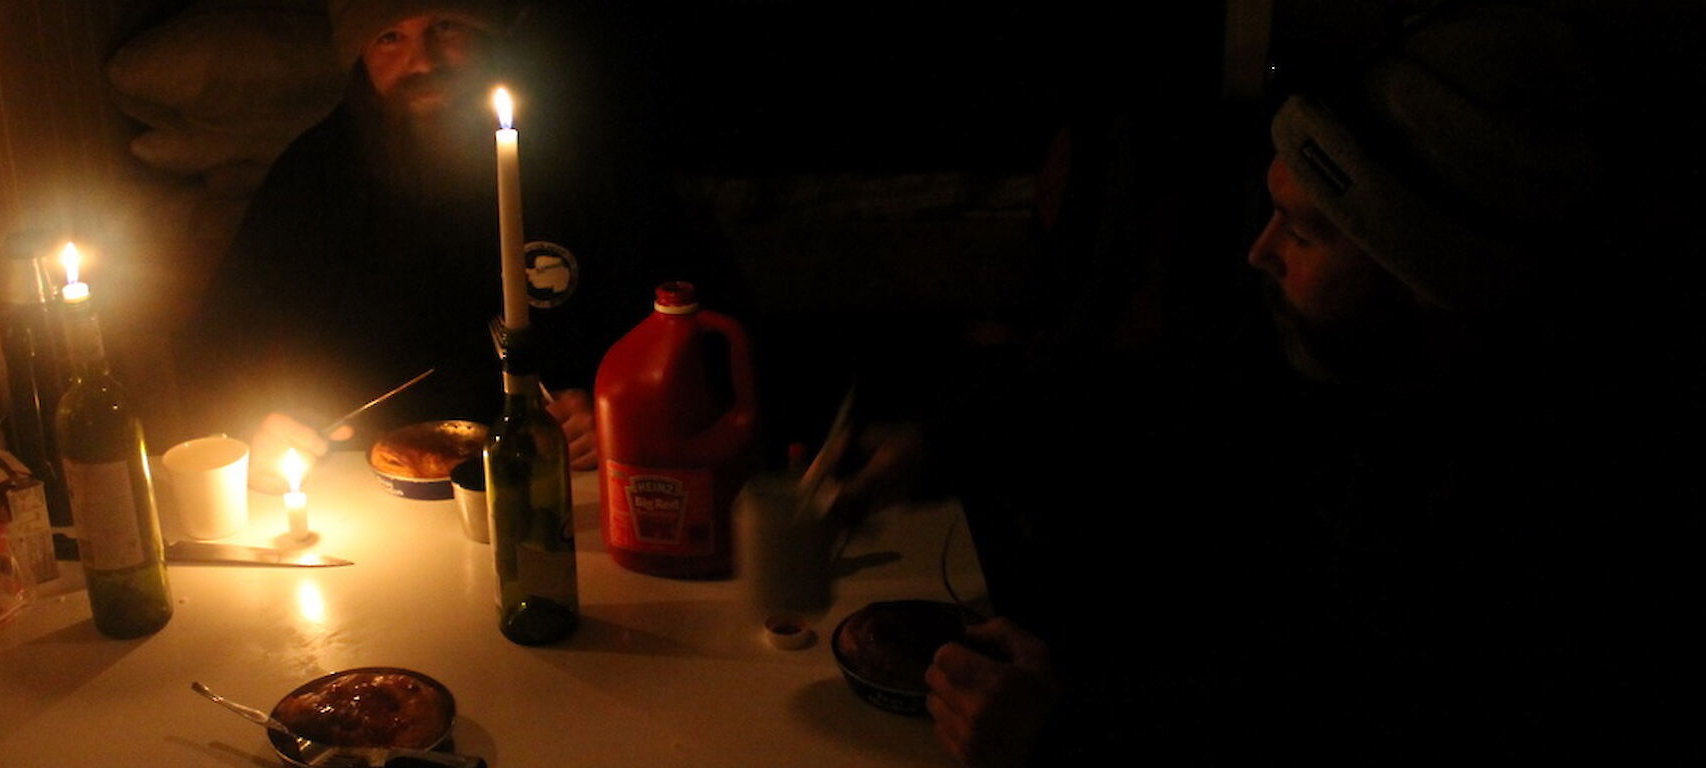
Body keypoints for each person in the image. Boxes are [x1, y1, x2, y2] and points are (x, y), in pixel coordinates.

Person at [830, 2, 1703, 764]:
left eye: (1306, 230)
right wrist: (941, 443)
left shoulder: (1550, 516)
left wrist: (1071, 739)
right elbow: (1155, 407)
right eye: (1272, 210)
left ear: (1433, 277)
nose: (1260, 251)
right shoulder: (1346, 357)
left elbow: (1342, 723)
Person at [176, 0, 701, 488]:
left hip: (567, 479)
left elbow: (687, 322)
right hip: (368, 494)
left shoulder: (586, 155)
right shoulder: (314, 178)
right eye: (389, 37)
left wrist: (618, 408)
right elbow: (223, 343)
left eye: (445, 28)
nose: (422, 62)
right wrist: (255, 425)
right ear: (358, 55)